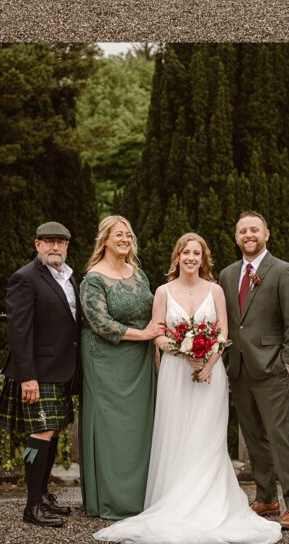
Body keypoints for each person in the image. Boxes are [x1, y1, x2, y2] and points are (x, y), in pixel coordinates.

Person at [93, 233, 281, 544]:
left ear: (204, 259)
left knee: (207, 438)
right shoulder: (163, 292)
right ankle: (174, 501)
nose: (191, 257)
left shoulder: (216, 290)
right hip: (175, 375)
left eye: (197, 253)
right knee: (177, 437)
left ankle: (209, 501)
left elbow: (223, 332)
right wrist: (184, 353)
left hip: (211, 374)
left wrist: (208, 361)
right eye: (185, 252)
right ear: (177, 257)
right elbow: (157, 334)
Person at [219, 212, 289, 531]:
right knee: (253, 436)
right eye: (242, 230)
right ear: (236, 237)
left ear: (266, 234)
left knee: (279, 436)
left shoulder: (283, 271)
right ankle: (267, 496)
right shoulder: (228, 275)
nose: (248, 235)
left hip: (271, 368)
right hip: (239, 368)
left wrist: (286, 361)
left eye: (254, 229)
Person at [0, 221, 80, 528]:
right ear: (37, 245)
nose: (55, 247)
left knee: (52, 432)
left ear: (67, 246)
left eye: (60, 242)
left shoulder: (70, 278)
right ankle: (31, 505)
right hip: (38, 373)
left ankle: (42, 494)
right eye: (48, 242)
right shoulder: (25, 277)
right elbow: (18, 330)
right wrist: (27, 376)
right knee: (38, 436)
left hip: (61, 370)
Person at [79, 215, 165, 520]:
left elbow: (153, 312)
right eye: (119, 234)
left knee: (140, 429)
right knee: (111, 429)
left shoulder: (138, 273)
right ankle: (110, 500)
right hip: (105, 362)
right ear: (105, 239)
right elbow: (99, 323)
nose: (125, 239)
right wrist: (144, 334)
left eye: (128, 234)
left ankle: (141, 497)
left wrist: (156, 343)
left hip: (141, 362)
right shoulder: (93, 278)